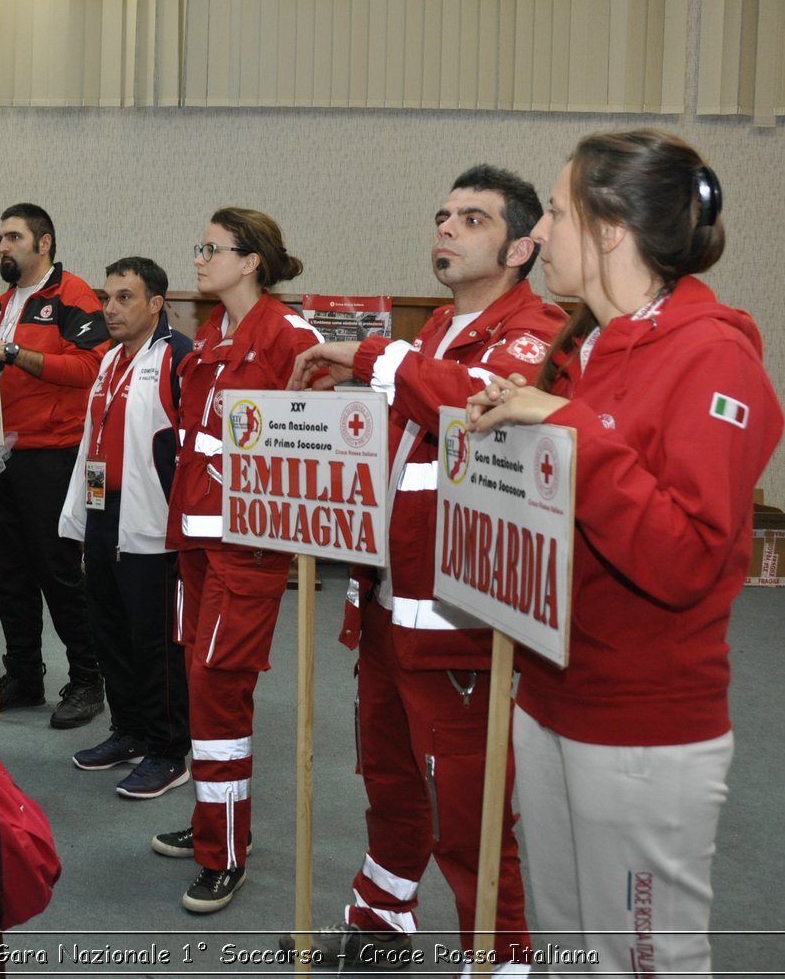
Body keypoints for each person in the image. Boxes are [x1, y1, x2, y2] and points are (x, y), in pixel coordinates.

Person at [466, 130, 783, 976]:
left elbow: (684, 556)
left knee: (644, 960)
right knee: (569, 945)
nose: (540, 238)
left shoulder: (713, 354)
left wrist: (560, 424)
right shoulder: (586, 346)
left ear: (611, 229)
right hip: (554, 693)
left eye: (559, 214)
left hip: (643, 721)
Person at [285, 166, 563, 972]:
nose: (445, 228)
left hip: (459, 617)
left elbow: (473, 399)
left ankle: (503, 962)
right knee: (388, 776)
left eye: (471, 219)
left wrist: (370, 357)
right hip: (382, 601)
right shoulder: (437, 325)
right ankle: (380, 921)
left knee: (470, 809)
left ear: (519, 246)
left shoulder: (535, 327)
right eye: (442, 214)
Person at [152, 207, 322, 914]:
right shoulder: (214, 332)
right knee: (200, 683)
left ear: (251, 259)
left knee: (220, 690)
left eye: (211, 248)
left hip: (246, 548)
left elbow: (316, 449)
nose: (198, 258)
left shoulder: (292, 337)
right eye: (198, 246)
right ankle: (212, 822)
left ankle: (223, 852)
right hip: (194, 538)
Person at [0, 203, 109, 729]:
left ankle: (88, 680)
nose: (3, 246)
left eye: (14, 237)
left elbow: (92, 367)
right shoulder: (0, 305)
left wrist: (13, 351)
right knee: (10, 572)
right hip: (1, 452)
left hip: (53, 453)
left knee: (59, 571)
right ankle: (24, 674)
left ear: (43, 243)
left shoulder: (74, 296)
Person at [58, 257, 193, 800]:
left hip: (151, 519)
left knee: (154, 639)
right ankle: (130, 731)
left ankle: (167, 749)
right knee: (109, 629)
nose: (109, 308)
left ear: (155, 304)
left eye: (123, 298)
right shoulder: (111, 358)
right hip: (101, 508)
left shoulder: (179, 357)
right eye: (106, 297)